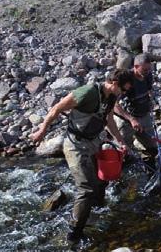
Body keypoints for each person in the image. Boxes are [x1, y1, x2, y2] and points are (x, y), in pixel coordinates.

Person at [30, 69, 134, 242]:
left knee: (101, 180)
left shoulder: (111, 97)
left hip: (93, 142)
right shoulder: (87, 93)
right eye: (124, 90)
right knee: (86, 189)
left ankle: (98, 209)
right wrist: (42, 130)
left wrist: (121, 141)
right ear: (115, 84)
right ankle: (74, 232)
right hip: (75, 145)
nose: (124, 93)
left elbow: (109, 119)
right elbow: (57, 108)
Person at [113, 54, 159, 170]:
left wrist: (150, 98)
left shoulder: (148, 75)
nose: (147, 72)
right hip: (128, 119)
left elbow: (149, 89)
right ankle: (120, 173)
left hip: (145, 116)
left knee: (152, 148)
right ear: (136, 66)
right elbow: (114, 105)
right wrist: (131, 119)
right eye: (144, 69)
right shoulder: (126, 79)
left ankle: (149, 170)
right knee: (123, 150)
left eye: (149, 69)